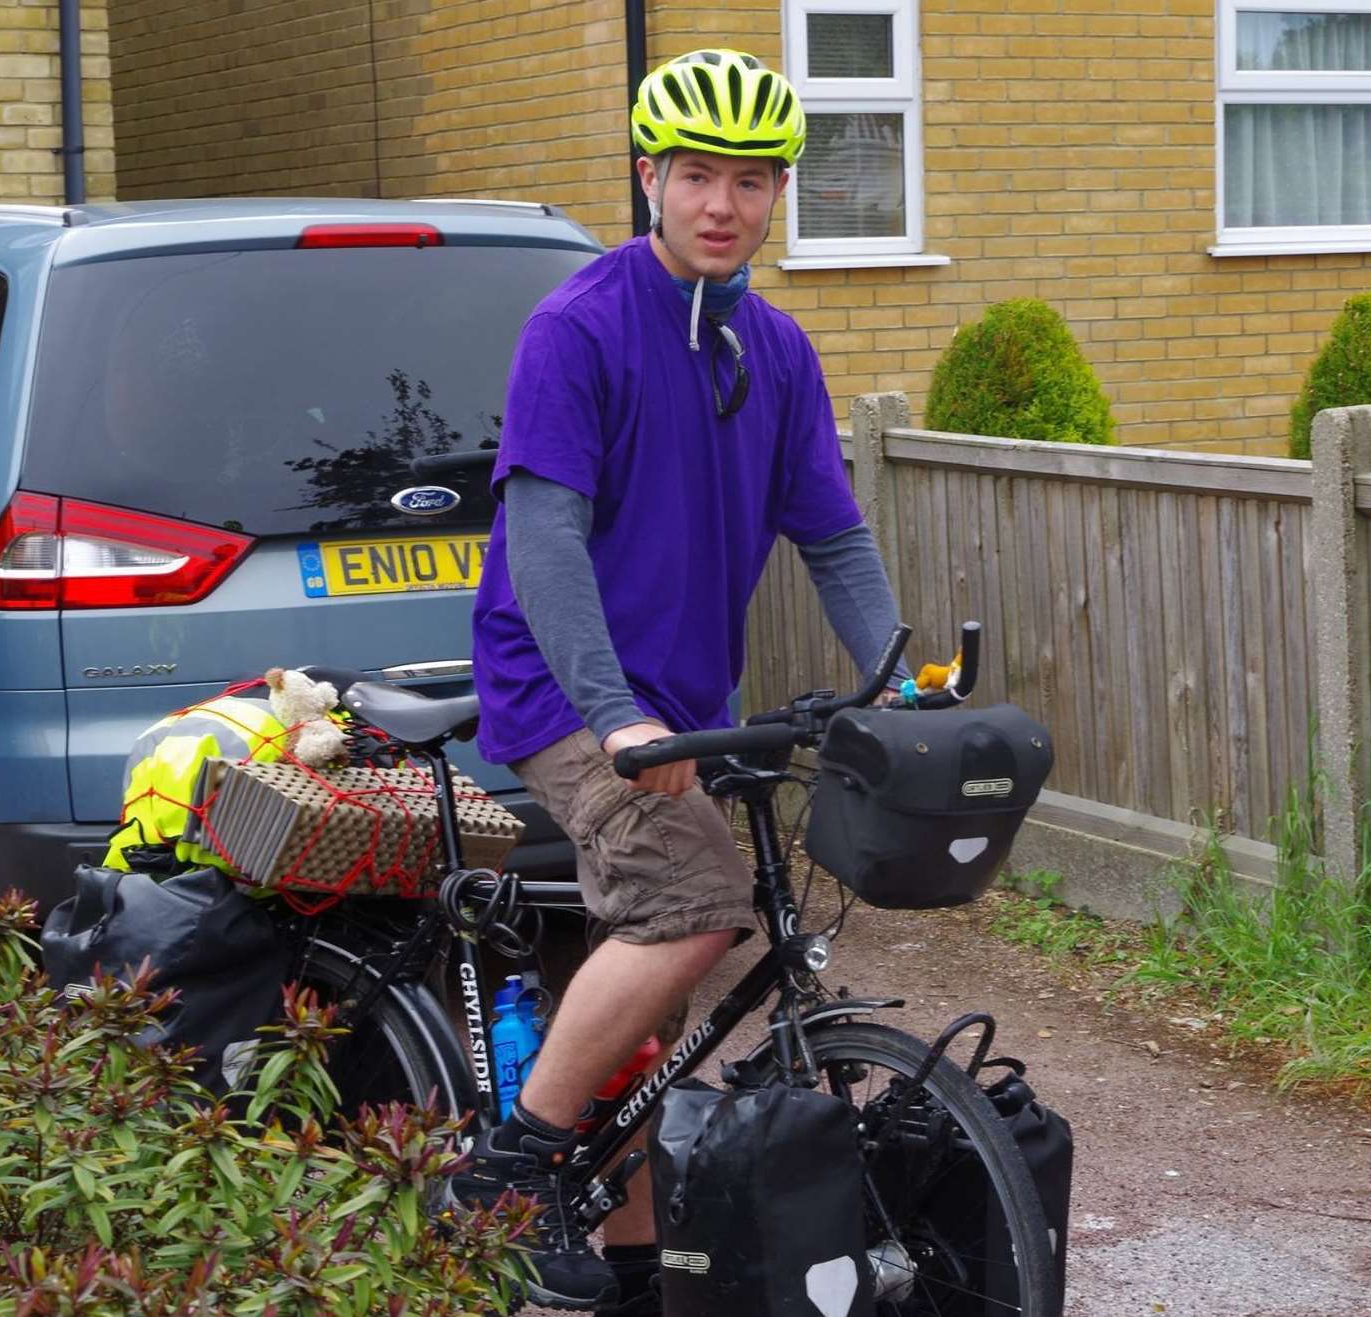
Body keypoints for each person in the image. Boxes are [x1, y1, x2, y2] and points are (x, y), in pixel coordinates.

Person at [446, 47, 909, 1314]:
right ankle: (509, 1169)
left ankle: (636, 1260)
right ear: (649, 175)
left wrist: (898, 676)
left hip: (680, 703)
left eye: (753, 180)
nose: (724, 204)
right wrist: (618, 715)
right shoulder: (578, 328)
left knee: (659, 980)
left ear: (777, 196)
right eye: (698, 173)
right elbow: (542, 547)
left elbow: (834, 536)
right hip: (565, 692)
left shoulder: (776, 348)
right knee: (695, 903)